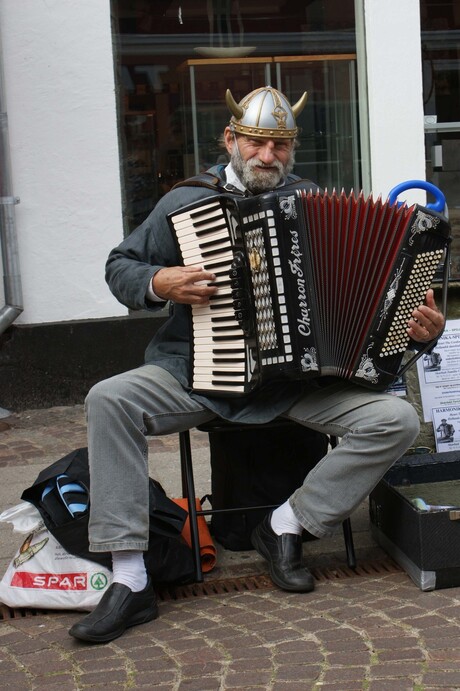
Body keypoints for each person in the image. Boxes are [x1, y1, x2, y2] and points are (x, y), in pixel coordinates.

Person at [69, 86, 445, 643]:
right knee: (109, 399)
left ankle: (286, 524)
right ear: (231, 139)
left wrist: (420, 334)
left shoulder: (314, 199)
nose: (268, 156)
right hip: (196, 369)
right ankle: (129, 578)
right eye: (256, 142)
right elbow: (120, 265)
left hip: (297, 382)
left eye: (280, 145)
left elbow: (372, 314)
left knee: (396, 421)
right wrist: (158, 281)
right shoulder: (184, 202)